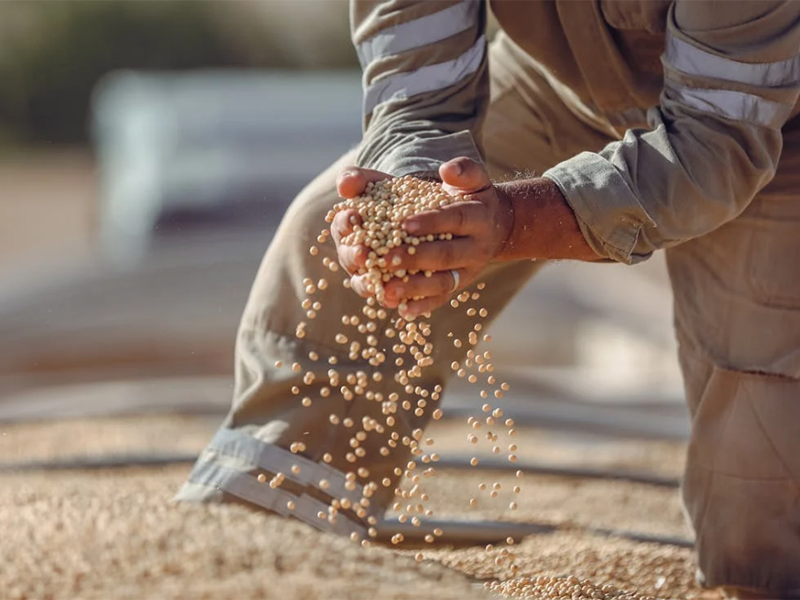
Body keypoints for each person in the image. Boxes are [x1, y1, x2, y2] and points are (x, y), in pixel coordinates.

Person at [177, 1, 800, 597]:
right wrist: (411, 197)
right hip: (561, 84)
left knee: (760, 494)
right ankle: (249, 547)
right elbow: (420, 90)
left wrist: (513, 221)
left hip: (769, 121)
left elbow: (715, 141)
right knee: (330, 251)